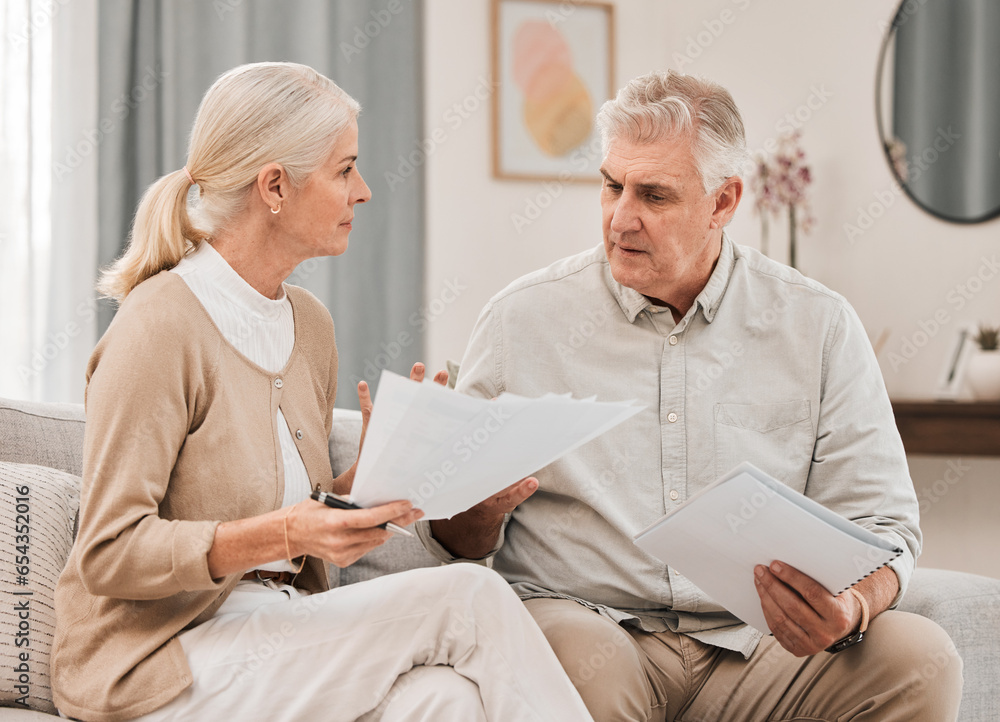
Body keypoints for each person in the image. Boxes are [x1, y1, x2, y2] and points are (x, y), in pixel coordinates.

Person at [51, 62, 593, 722]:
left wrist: (369, 481)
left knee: (442, 700)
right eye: (344, 169)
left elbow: (292, 510)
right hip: (162, 661)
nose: (364, 191)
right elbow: (110, 553)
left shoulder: (308, 325)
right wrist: (283, 532)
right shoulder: (160, 325)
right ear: (274, 186)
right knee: (469, 599)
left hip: (276, 631)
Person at [417, 70, 964, 721]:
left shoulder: (817, 325)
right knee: (573, 658)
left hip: (761, 647)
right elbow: (453, 535)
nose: (621, 218)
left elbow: (887, 526)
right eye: (612, 185)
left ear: (724, 202)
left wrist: (849, 607)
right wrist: (469, 502)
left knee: (917, 658)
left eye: (653, 195)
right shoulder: (521, 320)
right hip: (593, 627)